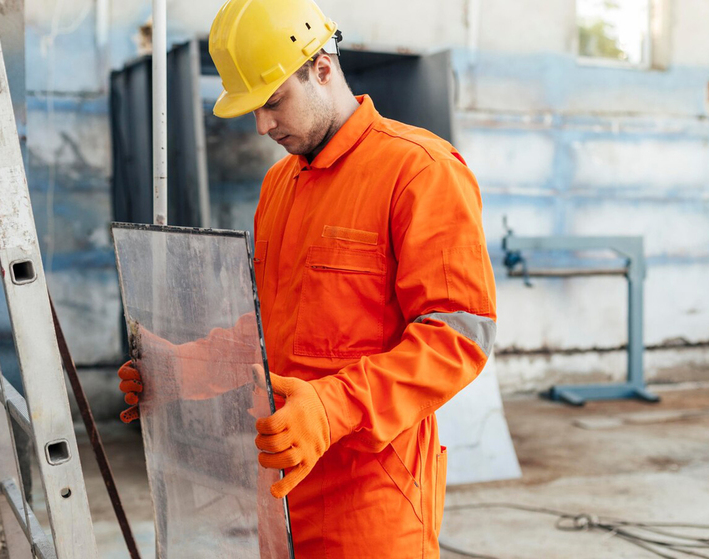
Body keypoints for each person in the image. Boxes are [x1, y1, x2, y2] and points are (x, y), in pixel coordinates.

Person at [118, 0, 497, 556]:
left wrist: (330, 407)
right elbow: (273, 323)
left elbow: (458, 339)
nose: (264, 125)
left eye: (273, 102)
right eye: (253, 109)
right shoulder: (279, 186)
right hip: (280, 486)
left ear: (322, 67)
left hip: (372, 502)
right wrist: (182, 369)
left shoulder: (419, 171)